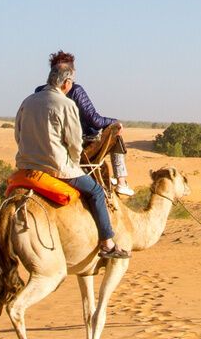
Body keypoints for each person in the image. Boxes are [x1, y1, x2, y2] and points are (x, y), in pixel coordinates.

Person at [15, 60, 125, 258]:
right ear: (66, 82)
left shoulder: (27, 101)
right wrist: (74, 163)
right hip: (57, 168)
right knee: (96, 191)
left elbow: (18, 134)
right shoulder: (66, 104)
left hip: (25, 167)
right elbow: (74, 142)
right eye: (71, 81)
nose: (72, 84)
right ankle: (107, 243)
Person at [50, 50, 132, 197]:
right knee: (116, 131)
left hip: (50, 148)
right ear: (70, 72)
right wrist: (115, 122)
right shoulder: (75, 90)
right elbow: (95, 120)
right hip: (80, 147)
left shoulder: (39, 92)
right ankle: (121, 182)